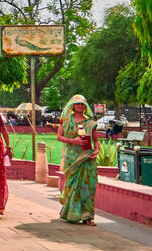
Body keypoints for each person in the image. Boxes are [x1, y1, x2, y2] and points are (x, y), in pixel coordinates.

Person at [58, 95, 99, 226]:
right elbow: (59, 137)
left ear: (85, 107)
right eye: (77, 104)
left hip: (87, 157)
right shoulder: (65, 121)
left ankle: (87, 216)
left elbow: (96, 140)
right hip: (72, 158)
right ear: (73, 106)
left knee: (88, 186)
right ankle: (70, 213)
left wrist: (97, 150)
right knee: (72, 186)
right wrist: (73, 141)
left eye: (82, 104)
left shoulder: (90, 123)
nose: (80, 106)